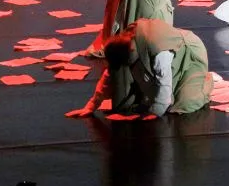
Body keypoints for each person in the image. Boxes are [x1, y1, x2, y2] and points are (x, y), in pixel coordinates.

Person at [66, 17, 214, 117]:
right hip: (170, 53)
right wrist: (91, 106)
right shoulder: (126, 40)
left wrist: (154, 112)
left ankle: (207, 81)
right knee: (157, 93)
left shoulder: (157, 50)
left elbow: (163, 81)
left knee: (185, 103)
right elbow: (109, 75)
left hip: (190, 51)